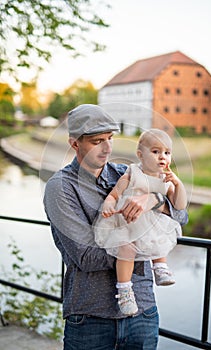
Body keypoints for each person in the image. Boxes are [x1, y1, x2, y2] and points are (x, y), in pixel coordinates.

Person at [43, 104, 188, 350]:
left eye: (110, 138)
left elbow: (180, 215)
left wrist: (151, 200)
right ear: (75, 143)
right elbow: (86, 256)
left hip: (143, 311)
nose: (107, 147)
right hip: (91, 316)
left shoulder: (126, 172)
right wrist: (142, 249)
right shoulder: (61, 188)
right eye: (97, 141)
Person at [94, 129, 187, 316]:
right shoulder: (132, 172)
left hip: (152, 224)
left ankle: (160, 267)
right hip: (127, 223)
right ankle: (125, 290)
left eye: (167, 153)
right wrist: (108, 205)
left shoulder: (166, 180)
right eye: (155, 151)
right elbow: (114, 194)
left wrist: (178, 185)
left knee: (159, 239)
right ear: (140, 155)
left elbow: (179, 206)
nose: (162, 157)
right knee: (126, 249)